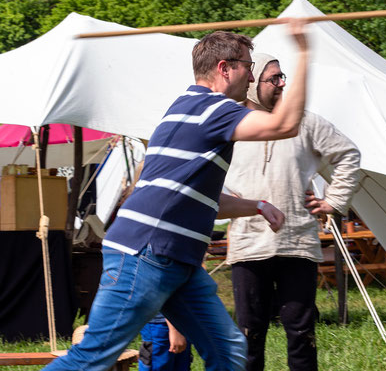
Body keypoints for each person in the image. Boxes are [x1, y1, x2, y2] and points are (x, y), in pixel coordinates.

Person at [44, 19, 309, 371]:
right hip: (146, 254)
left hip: (173, 259)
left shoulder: (185, 108)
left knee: (228, 351)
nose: (251, 76)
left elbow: (197, 202)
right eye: (248, 67)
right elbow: (283, 125)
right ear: (224, 68)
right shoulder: (213, 110)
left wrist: (256, 206)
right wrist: (305, 52)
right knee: (91, 358)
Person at [224, 53, 361, 371]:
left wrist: (334, 201)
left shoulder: (305, 121)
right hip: (247, 243)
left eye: (283, 76)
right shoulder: (230, 123)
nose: (282, 83)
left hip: (297, 242)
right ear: (252, 84)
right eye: (274, 78)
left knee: (301, 333)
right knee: (248, 335)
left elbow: (348, 153)